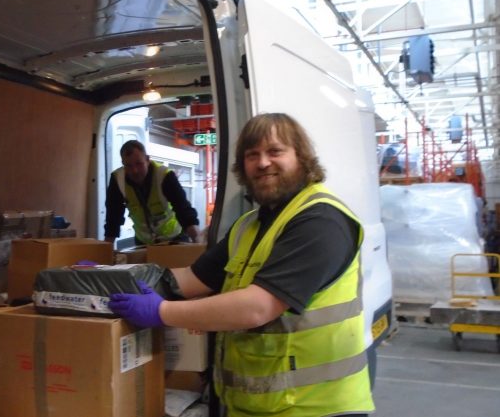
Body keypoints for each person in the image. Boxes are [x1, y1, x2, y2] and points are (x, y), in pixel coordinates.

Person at [109, 113, 374, 417]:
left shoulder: (320, 220)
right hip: (258, 405)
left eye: (275, 151)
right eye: (252, 155)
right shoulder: (248, 226)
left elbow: (258, 306)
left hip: (314, 407)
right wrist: (113, 277)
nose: (262, 163)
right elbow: (190, 279)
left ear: (301, 158)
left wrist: (162, 312)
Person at [104, 139, 200, 246]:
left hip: (174, 239)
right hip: (144, 242)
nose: (135, 170)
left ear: (147, 160)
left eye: (139, 164)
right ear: (123, 164)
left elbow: (183, 208)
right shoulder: (118, 180)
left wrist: (197, 241)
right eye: (129, 166)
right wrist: (107, 250)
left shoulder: (164, 175)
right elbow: (113, 216)